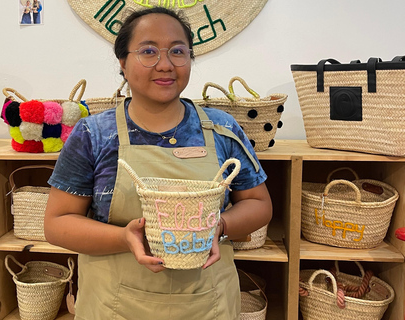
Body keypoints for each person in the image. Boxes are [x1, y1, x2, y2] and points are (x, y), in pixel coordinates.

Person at [44, 6, 272, 320]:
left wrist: (218, 226)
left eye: (178, 51)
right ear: (122, 62)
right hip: (114, 306)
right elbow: (57, 223)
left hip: (207, 306)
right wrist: (125, 237)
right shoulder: (93, 135)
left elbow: (259, 203)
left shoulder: (223, 129)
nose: (165, 64)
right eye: (148, 51)